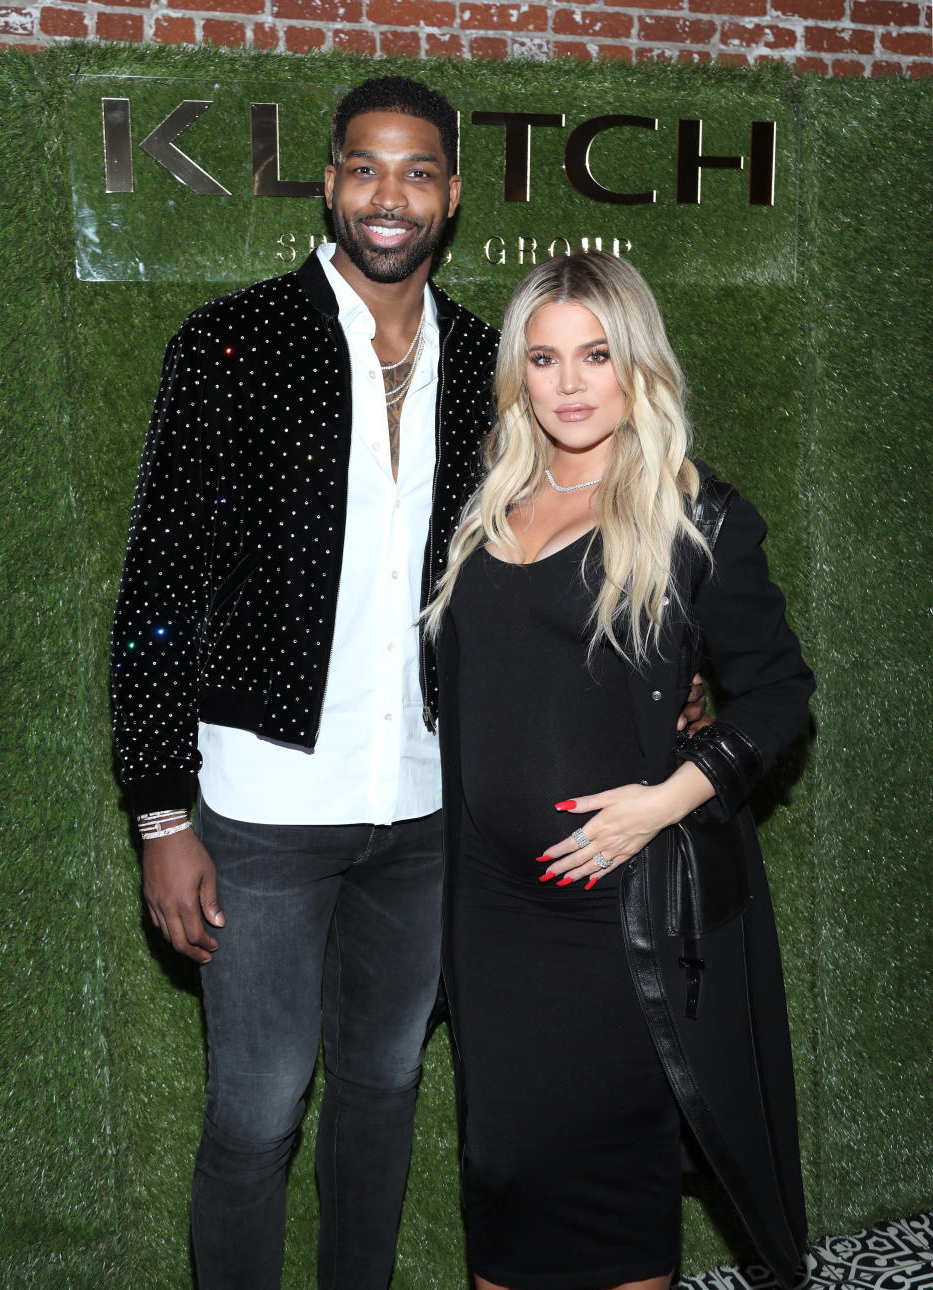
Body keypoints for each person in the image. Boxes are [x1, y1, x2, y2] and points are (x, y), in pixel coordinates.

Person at [111, 78, 706, 1289]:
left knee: (383, 1091)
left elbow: (565, 545)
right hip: (264, 809)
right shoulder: (233, 345)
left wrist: (673, 666)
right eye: (368, 169)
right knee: (259, 1111)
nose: (393, 195)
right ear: (330, 183)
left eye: (420, 172)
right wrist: (162, 813)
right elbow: (158, 591)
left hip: (433, 811)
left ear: (449, 198)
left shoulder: (494, 365)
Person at [426, 250, 815, 1290]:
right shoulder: (479, 508)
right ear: (519, 375)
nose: (569, 383)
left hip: (618, 916)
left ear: (635, 364)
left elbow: (780, 695)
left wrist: (662, 803)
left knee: (613, 1178)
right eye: (544, 358)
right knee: (500, 1168)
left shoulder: (696, 518)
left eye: (596, 355)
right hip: (490, 917)